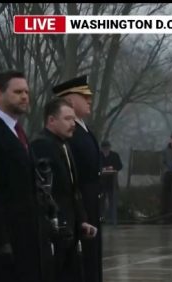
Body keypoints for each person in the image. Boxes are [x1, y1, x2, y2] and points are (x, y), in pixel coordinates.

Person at [0, 70, 55, 281]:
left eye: (26, 91)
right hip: (5, 241)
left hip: (28, 236)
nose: (25, 97)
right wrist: (1, 242)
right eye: (17, 92)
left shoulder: (17, 131)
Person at [30, 98, 98, 282]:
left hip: (70, 227)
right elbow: (46, 191)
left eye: (73, 119)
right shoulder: (42, 145)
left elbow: (73, 189)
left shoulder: (65, 144)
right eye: (67, 119)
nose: (73, 124)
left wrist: (82, 220)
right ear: (51, 120)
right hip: (55, 229)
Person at [54, 75, 103, 282]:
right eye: (85, 96)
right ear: (71, 100)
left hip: (91, 204)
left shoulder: (83, 128)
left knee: (93, 259)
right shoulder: (71, 132)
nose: (90, 100)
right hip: (81, 202)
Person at [100, 140, 123, 225]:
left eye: (107, 148)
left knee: (112, 203)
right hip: (101, 184)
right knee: (101, 203)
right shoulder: (98, 156)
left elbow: (120, 166)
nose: (106, 150)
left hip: (112, 182)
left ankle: (112, 221)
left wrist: (112, 167)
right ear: (102, 149)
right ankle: (101, 220)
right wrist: (103, 169)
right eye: (104, 148)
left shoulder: (115, 155)